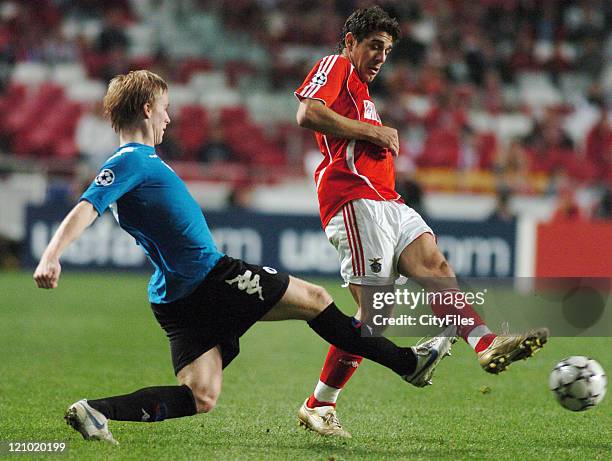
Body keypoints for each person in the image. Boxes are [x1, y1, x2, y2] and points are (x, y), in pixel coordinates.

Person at [33, 70, 455, 445]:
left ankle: (97, 410)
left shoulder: (138, 163)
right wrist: (52, 256)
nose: (169, 118)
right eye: (165, 109)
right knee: (315, 300)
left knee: (201, 395)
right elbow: (87, 206)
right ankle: (407, 364)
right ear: (146, 108)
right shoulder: (130, 161)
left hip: (173, 297)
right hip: (210, 277)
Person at [294, 6, 548, 437]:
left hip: (387, 201)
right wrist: (372, 132)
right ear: (351, 42)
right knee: (375, 314)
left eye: (388, 50)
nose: (381, 56)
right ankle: (319, 404)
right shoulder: (335, 64)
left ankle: (485, 344)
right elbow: (306, 113)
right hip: (353, 199)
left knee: (436, 267)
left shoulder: (363, 93)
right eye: (374, 46)